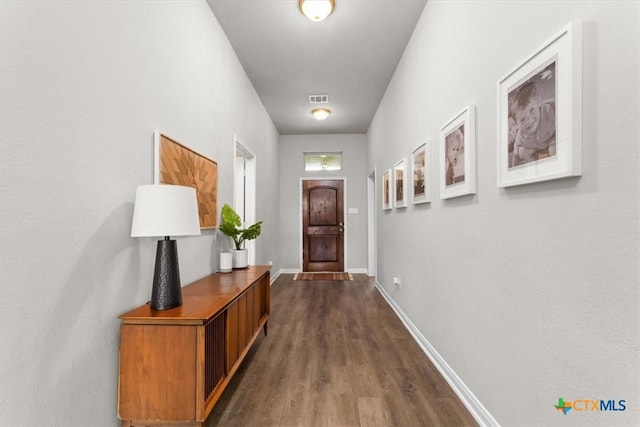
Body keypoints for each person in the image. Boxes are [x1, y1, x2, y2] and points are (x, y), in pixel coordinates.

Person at [510, 80, 556, 166]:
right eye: (522, 120)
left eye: (532, 110)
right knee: (524, 153)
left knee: (553, 150)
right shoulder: (521, 136)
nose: (530, 120)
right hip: (535, 151)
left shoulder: (550, 110)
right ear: (516, 125)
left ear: (538, 102)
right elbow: (516, 151)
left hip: (552, 139)